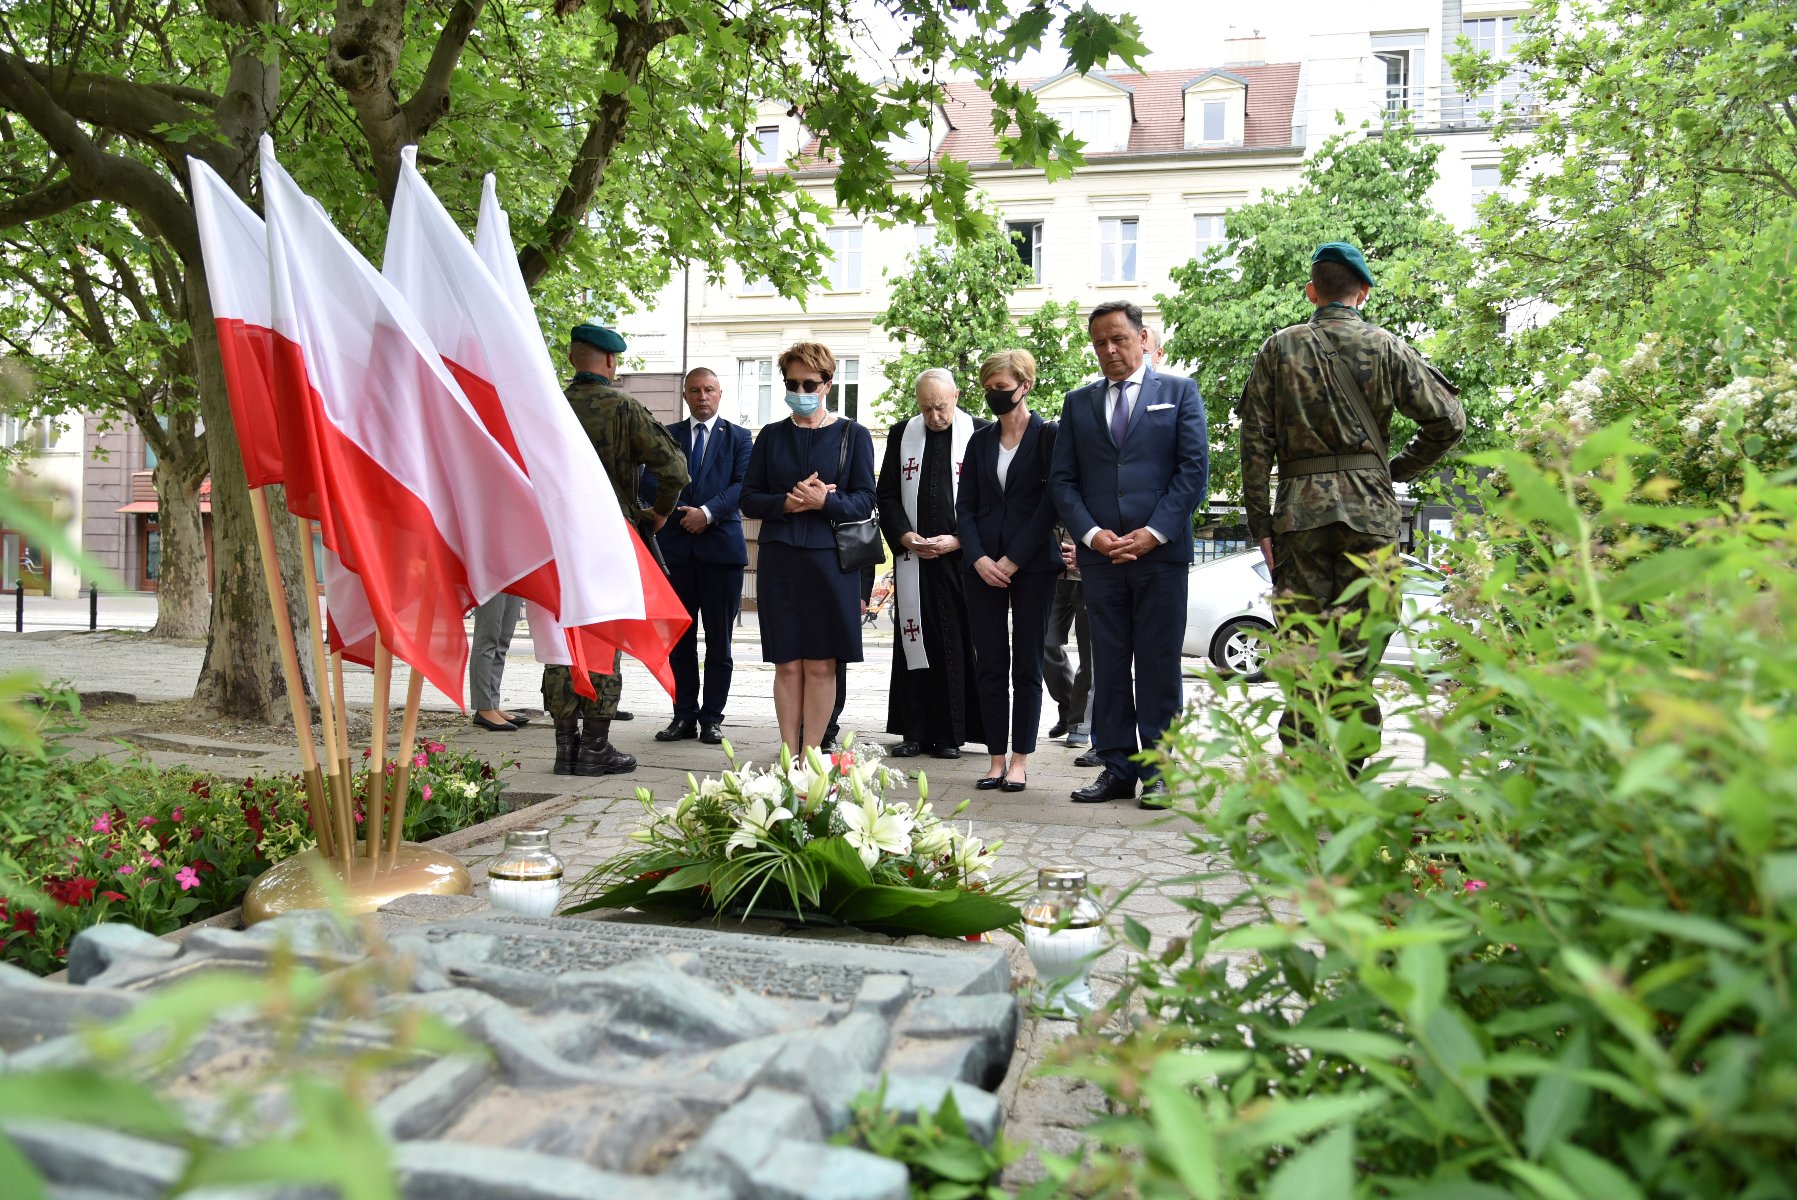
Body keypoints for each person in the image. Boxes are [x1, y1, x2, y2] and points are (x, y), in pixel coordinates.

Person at [1237, 242, 1466, 767]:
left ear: (1313, 291)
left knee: (1304, 653)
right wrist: (1394, 470)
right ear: (1362, 291)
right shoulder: (1388, 347)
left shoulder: (1280, 347)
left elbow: (1255, 443)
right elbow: (1448, 421)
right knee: (1358, 655)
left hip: (1299, 517)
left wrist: (1260, 525)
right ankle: (1351, 775)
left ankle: (1305, 774)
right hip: (1371, 516)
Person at [1049, 301, 1209, 808]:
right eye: (1099, 343)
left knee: (1158, 664)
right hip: (1101, 558)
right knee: (1110, 665)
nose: (1110, 350)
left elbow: (1192, 472)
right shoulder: (1078, 403)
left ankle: (1158, 773)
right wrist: (1092, 535)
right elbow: (1063, 480)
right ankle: (1116, 767)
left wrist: (1155, 532)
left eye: (1118, 339)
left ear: (1143, 338)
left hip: (1159, 557)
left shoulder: (1179, 393)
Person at [543, 323, 688, 776]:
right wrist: (659, 513)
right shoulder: (623, 408)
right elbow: (676, 469)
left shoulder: (547, 407)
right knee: (605, 638)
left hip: (555, 541)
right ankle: (595, 748)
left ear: (571, 360)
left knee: (562, 639)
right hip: (609, 540)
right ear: (611, 361)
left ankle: (564, 747)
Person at [739, 342, 877, 754]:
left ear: (828, 384)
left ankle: (813, 755)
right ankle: (788, 754)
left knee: (820, 663)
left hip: (831, 561)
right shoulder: (770, 436)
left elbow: (866, 500)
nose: (800, 389)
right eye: (791, 382)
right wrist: (784, 502)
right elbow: (748, 498)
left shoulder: (854, 434)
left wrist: (825, 503)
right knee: (786, 662)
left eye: (809, 382)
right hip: (781, 558)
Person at [956, 350, 1061, 792]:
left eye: (1001, 388)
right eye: (988, 389)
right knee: (991, 663)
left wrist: (1013, 559)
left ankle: (1020, 759)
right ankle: (995, 758)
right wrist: (979, 558)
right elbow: (966, 507)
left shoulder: (1049, 437)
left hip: (1033, 564)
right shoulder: (979, 440)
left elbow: (1051, 503)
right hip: (981, 566)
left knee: (1028, 663)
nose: (994, 396)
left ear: (1025, 385)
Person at [877, 368, 986, 760]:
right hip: (915, 559)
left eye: (940, 407)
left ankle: (951, 733)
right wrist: (905, 536)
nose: (934, 417)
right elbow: (887, 495)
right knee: (913, 640)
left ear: (955, 396)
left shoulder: (980, 432)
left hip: (959, 562)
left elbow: (992, 502)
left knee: (955, 642)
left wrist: (959, 540)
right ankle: (914, 731)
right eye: (925, 408)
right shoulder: (901, 434)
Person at [642, 367, 752, 747]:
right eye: (695, 391)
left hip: (721, 552)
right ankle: (684, 715)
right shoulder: (667, 436)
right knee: (680, 641)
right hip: (676, 552)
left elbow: (744, 485)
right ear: (685, 396)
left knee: (719, 642)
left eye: (709, 390)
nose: (702, 396)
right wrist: (682, 512)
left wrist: (707, 513)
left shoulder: (739, 437)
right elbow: (651, 482)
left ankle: (712, 719)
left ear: (720, 394)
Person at [1042, 525, 1091, 747]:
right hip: (1052, 573)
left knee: (1090, 654)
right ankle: (1069, 705)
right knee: (1044, 644)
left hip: (1090, 574)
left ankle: (1079, 724)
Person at [469, 593, 529, 731]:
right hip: (490, 577)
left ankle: (493, 705)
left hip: (513, 575)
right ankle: (484, 707)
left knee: (502, 642)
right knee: (487, 640)